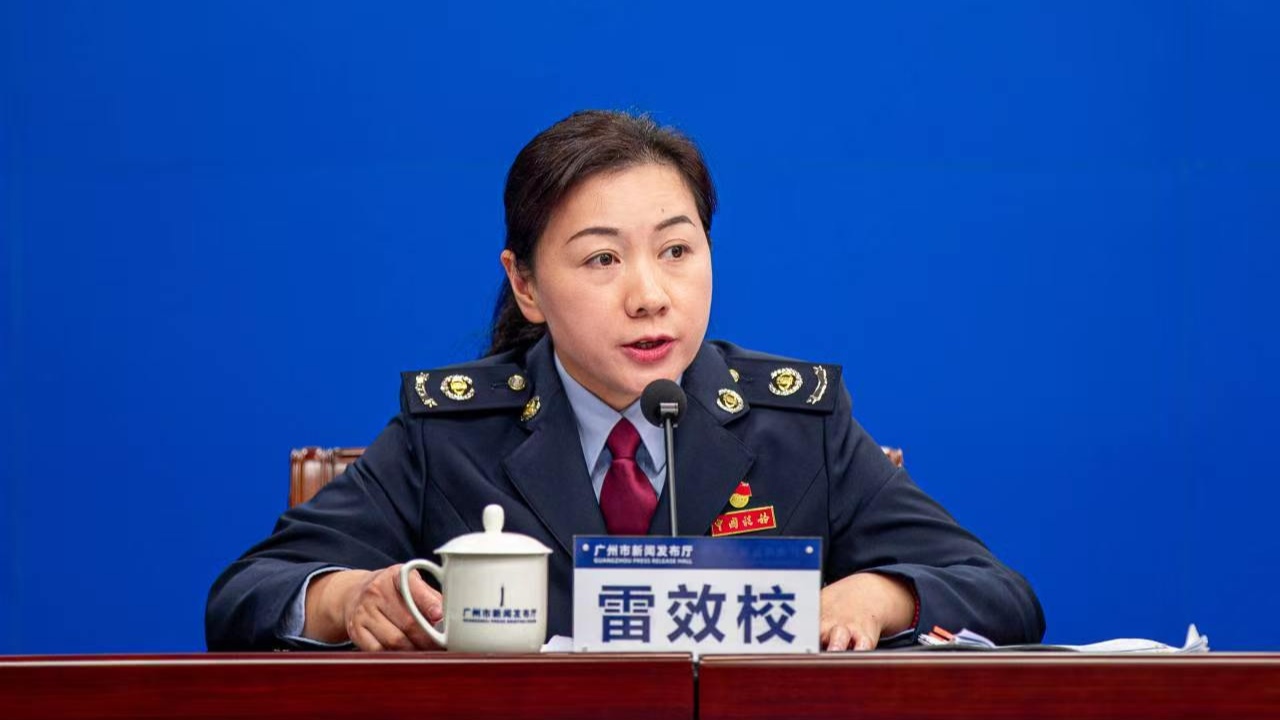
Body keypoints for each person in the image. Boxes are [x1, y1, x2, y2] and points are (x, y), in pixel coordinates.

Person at [206, 110, 1045, 652]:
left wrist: (878, 595)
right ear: (526, 285)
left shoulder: (797, 428)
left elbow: (1002, 596)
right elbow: (245, 597)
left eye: (676, 250)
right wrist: (349, 598)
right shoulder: (450, 435)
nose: (650, 295)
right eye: (602, 260)